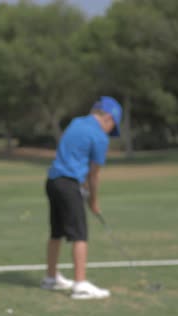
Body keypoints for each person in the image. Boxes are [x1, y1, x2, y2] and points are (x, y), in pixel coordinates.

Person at [41, 96, 122, 300]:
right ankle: (80, 284)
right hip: (69, 184)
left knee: (57, 232)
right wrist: (93, 201)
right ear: (108, 119)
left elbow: (74, 157)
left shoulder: (76, 122)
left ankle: (51, 277)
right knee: (80, 235)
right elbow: (94, 175)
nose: (109, 132)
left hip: (53, 181)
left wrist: (83, 188)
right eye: (112, 127)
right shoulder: (100, 137)